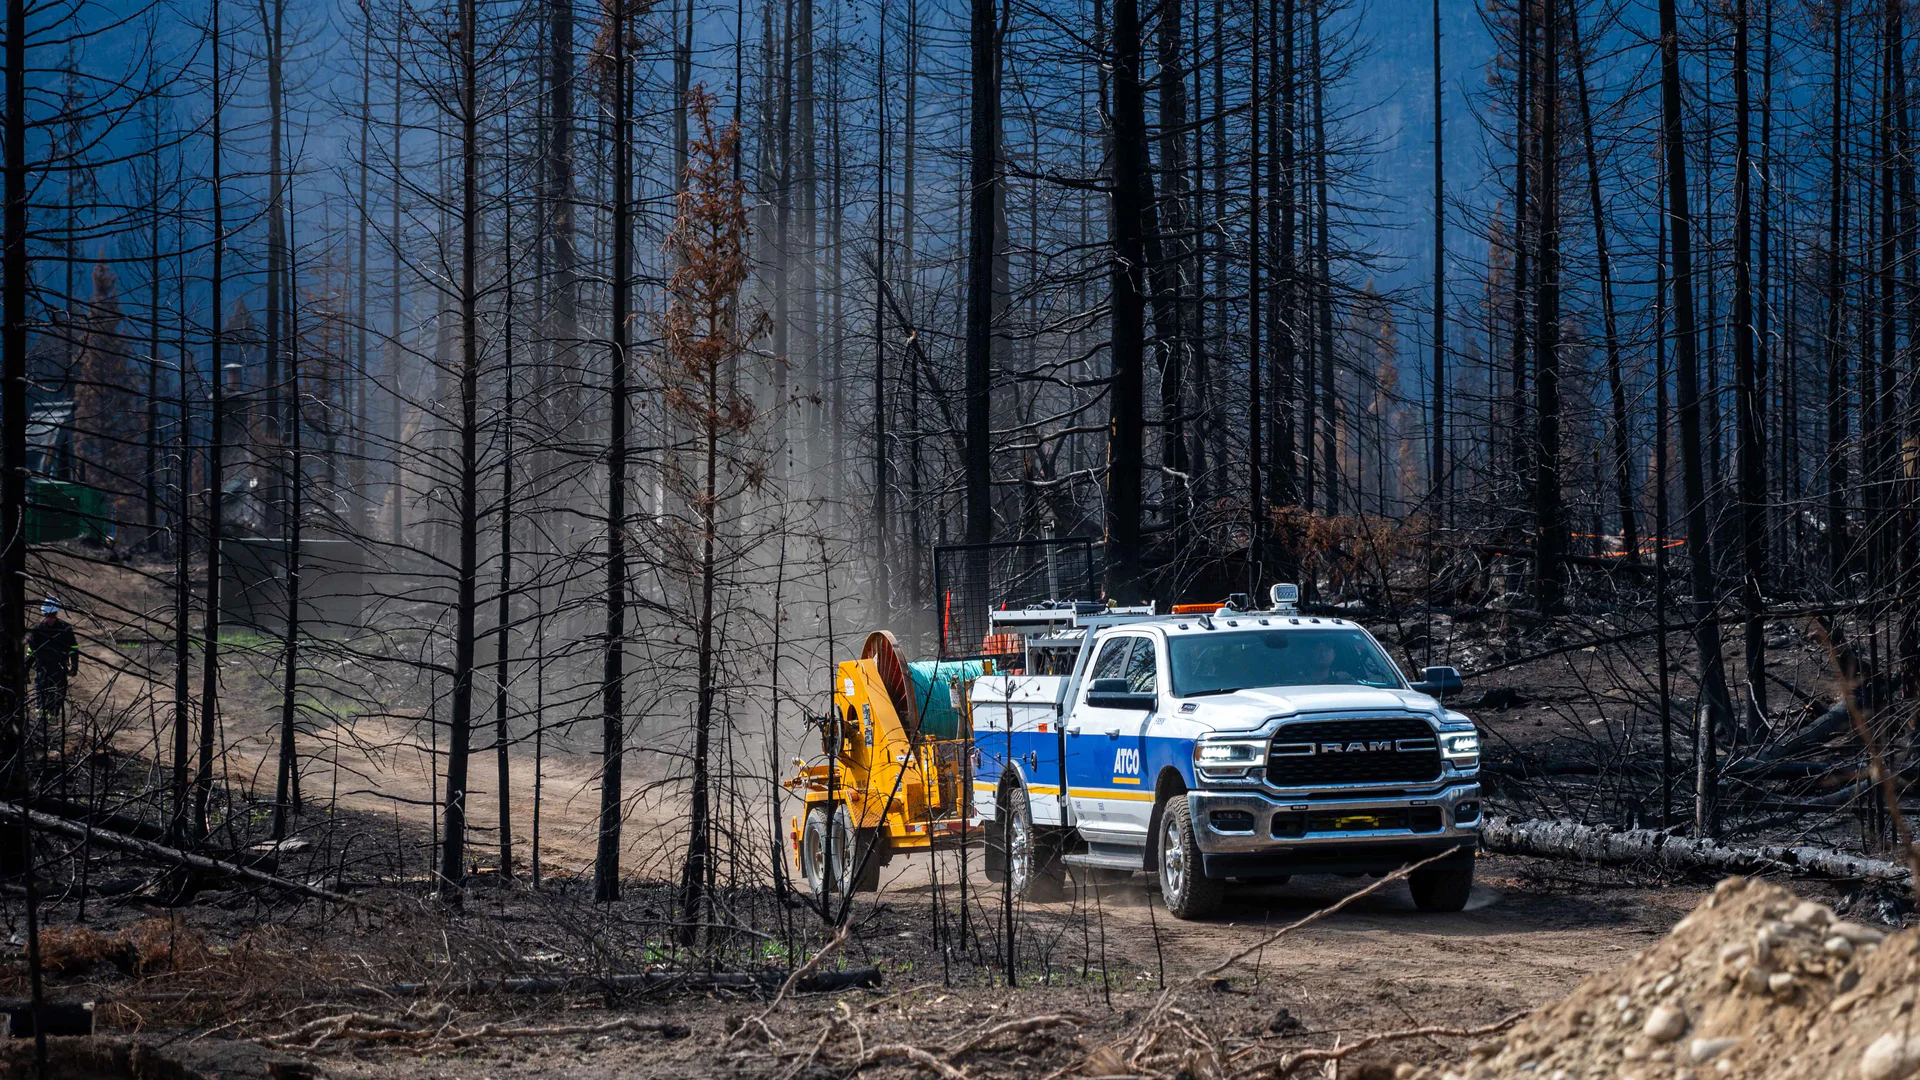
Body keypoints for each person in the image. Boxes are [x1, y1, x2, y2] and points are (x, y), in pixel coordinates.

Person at [27, 599, 79, 719]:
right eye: (47, 616)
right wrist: (25, 669)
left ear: (56, 614)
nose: (50, 618)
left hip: (59, 668)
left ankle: (53, 718)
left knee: (58, 694)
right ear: (44, 615)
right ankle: (40, 721)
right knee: (40, 695)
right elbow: (31, 651)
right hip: (42, 668)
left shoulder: (65, 629)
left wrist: (74, 665)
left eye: (52, 615)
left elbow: (73, 648)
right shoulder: (37, 630)